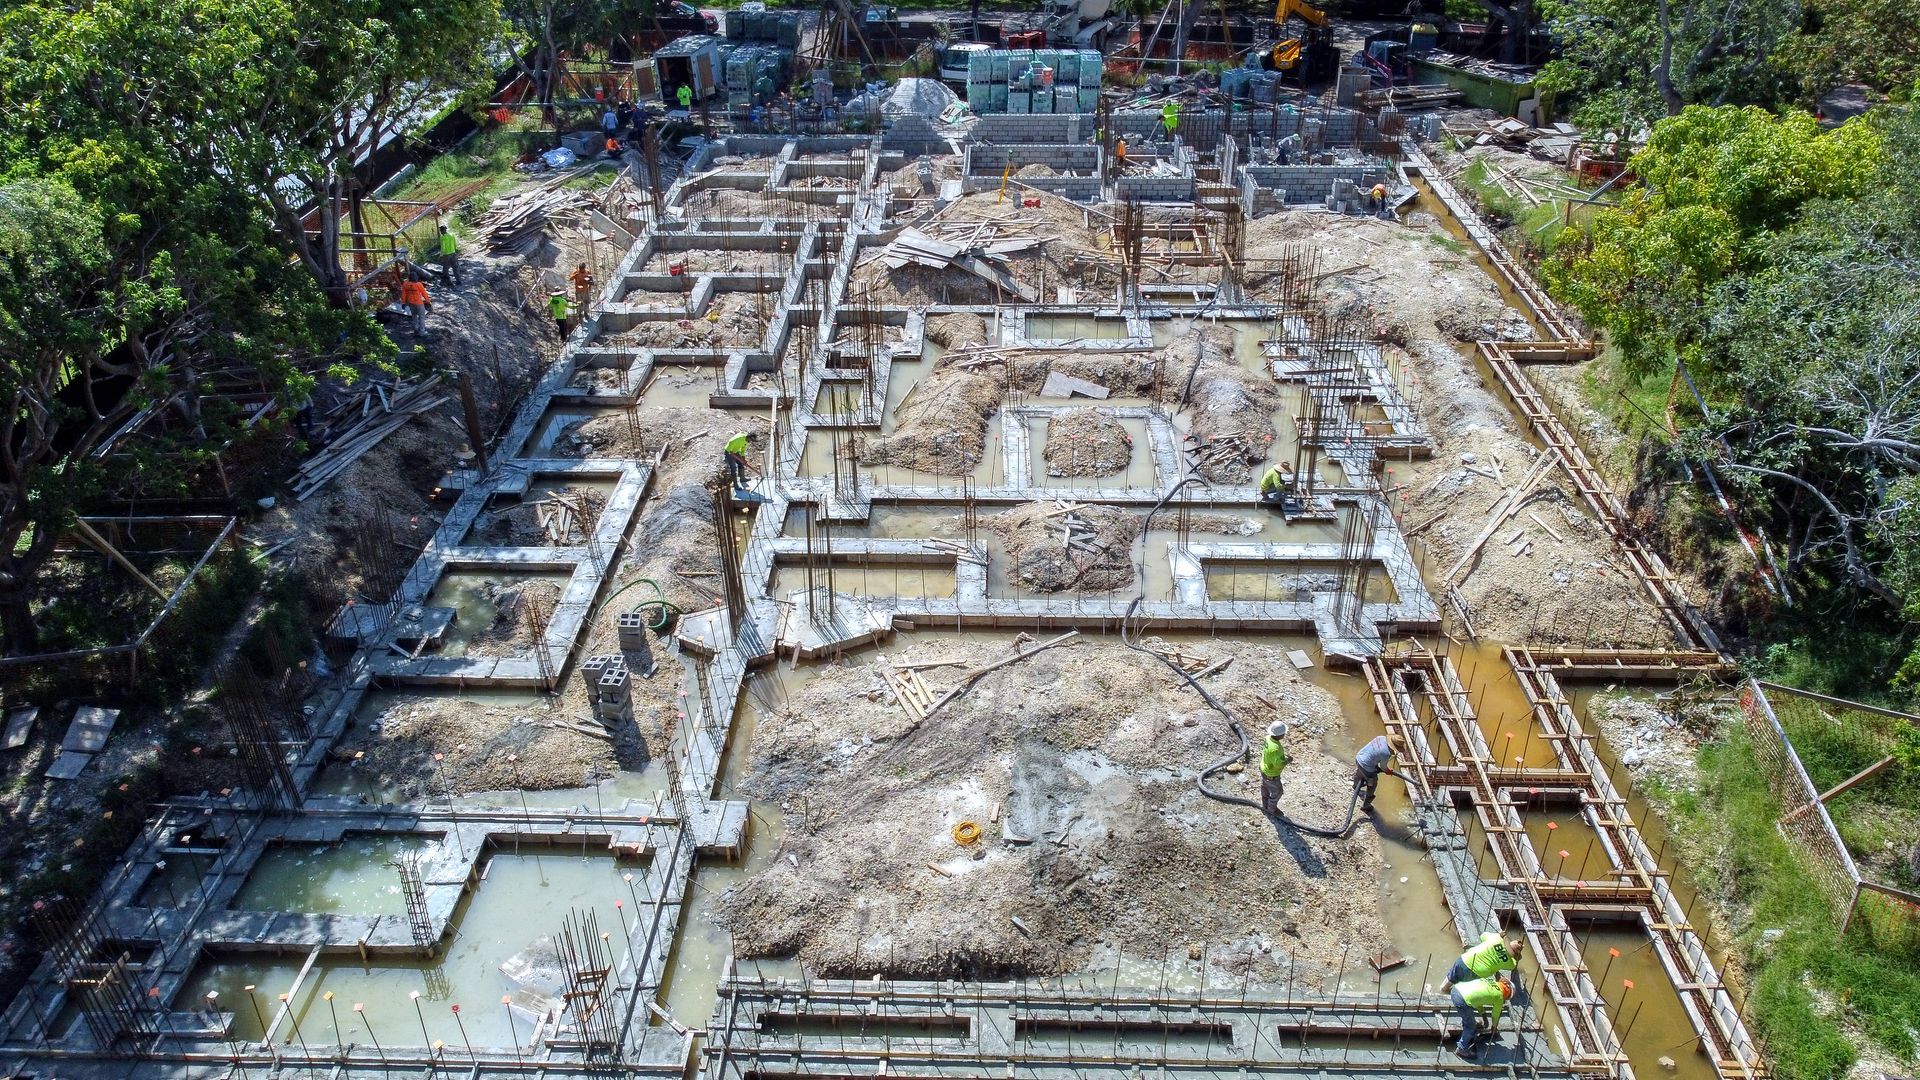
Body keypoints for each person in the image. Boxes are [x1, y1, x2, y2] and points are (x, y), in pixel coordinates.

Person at [1449, 973, 1512, 1059]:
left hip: (1456, 989)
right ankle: (1461, 1049)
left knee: (1468, 1018)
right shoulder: (1499, 997)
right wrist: (1494, 1026)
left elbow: (1477, 998)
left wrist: (1483, 1014)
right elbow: (1495, 1013)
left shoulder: (1490, 982)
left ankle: (1468, 1030)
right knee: (1470, 1026)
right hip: (1462, 1000)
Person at [1441, 931, 1524, 993]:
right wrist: (1516, 958)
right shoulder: (1510, 963)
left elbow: (1483, 935)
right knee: (1462, 989)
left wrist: (1499, 935)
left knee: (1448, 982)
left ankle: (1443, 989)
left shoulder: (1496, 938)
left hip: (1466, 959)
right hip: (1477, 972)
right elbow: (1514, 966)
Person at [1353, 732, 1406, 811]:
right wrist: (1388, 771)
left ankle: (1355, 785)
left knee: (1361, 772)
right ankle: (1366, 805)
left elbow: (1374, 753)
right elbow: (1383, 767)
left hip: (1359, 757)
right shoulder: (1386, 753)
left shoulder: (1380, 738)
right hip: (1366, 766)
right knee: (1372, 783)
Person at [1259, 721, 1288, 818]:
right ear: (1280, 735)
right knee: (1277, 792)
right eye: (1283, 733)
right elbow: (1278, 765)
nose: (1284, 734)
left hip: (1264, 769)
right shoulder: (1276, 749)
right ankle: (1271, 810)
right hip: (1271, 774)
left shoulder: (1267, 738)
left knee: (1265, 788)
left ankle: (1265, 805)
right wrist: (1288, 760)